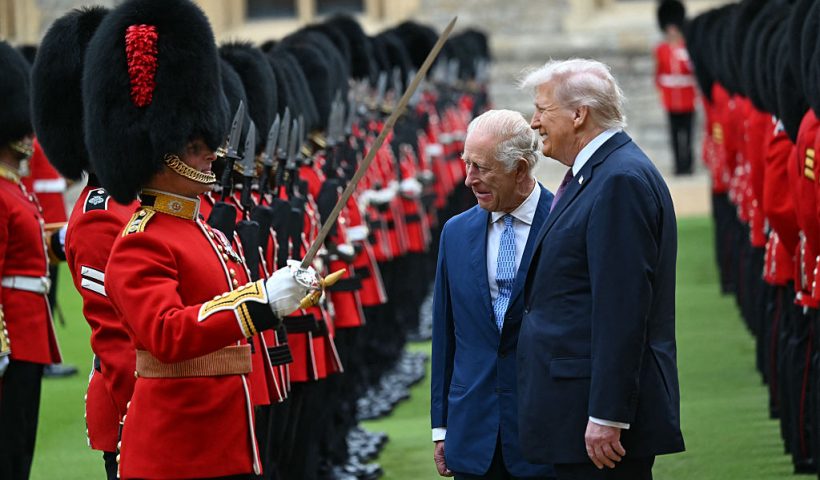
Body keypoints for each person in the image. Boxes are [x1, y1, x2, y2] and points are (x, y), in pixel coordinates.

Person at [82, 1, 320, 478]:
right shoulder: (141, 242)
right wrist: (261, 304)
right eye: (196, 146)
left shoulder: (200, 229)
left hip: (222, 437)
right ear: (162, 153)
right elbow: (169, 334)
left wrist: (280, 291)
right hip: (178, 447)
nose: (213, 154)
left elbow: (223, 305)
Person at [516, 59, 684, 480]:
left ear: (578, 114)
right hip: (576, 406)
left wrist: (608, 414)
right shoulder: (597, 174)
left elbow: (622, 308)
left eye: (542, 109)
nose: (534, 123)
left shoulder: (617, 181)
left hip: (599, 421)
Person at [430, 109, 556, 480]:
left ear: (519, 169)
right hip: (472, 434)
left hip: (545, 432)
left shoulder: (566, 222)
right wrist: (441, 427)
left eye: (481, 168)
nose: (468, 179)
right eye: (466, 163)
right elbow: (446, 333)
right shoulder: (454, 232)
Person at [0, 40, 63, 480]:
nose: (30, 134)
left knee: (21, 446)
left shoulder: (14, 188)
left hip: (30, 331)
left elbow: (32, 249)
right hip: (11, 338)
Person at [653, 0, 697, 175]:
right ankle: (679, 165)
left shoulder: (686, 47)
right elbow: (659, 73)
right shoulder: (661, 49)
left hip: (687, 97)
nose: (671, 31)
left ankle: (688, 164)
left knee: (688, 133)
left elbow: (692, 71)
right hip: (671, 98)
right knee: (674, 135)